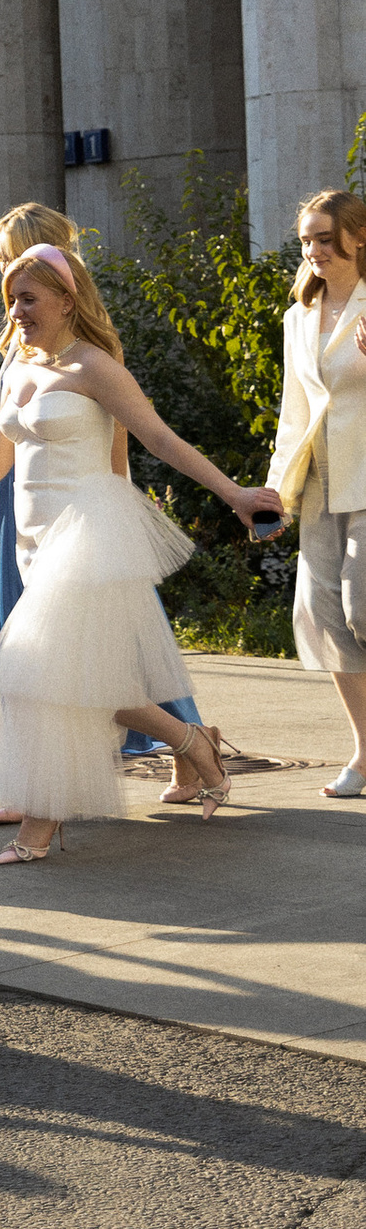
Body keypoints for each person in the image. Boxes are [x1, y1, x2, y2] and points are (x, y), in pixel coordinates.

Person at [0, 247, 278, 858]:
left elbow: (159, 437)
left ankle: (40, 826)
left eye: (29, 298)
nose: (17, 311)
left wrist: (233, 493)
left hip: (88, 535)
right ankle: (193, 744)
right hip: (34, 541)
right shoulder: (19, 367)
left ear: (67, 299)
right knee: (87, 685)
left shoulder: (95, 367)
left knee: (42, 681)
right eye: (11, 299)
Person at [0, 199, 208, 816]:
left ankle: (186, 742)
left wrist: (111, 512)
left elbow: (131, 439)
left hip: (79, 512)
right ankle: (41, 785)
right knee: (53, 652)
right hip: (20, 499)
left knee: (95, 651)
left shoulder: (88, 355)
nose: (7, 285)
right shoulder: (23, 343)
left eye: (13, 263)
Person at [262, 185, 366, 795]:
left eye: (325, 239)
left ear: (359, 237)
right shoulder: (297, 317)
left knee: (363, 608)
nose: (313, 250)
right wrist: (275, 493)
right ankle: (365, 752)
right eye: (306, 240)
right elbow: (292, 413)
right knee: (323, 617)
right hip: (322, 487)